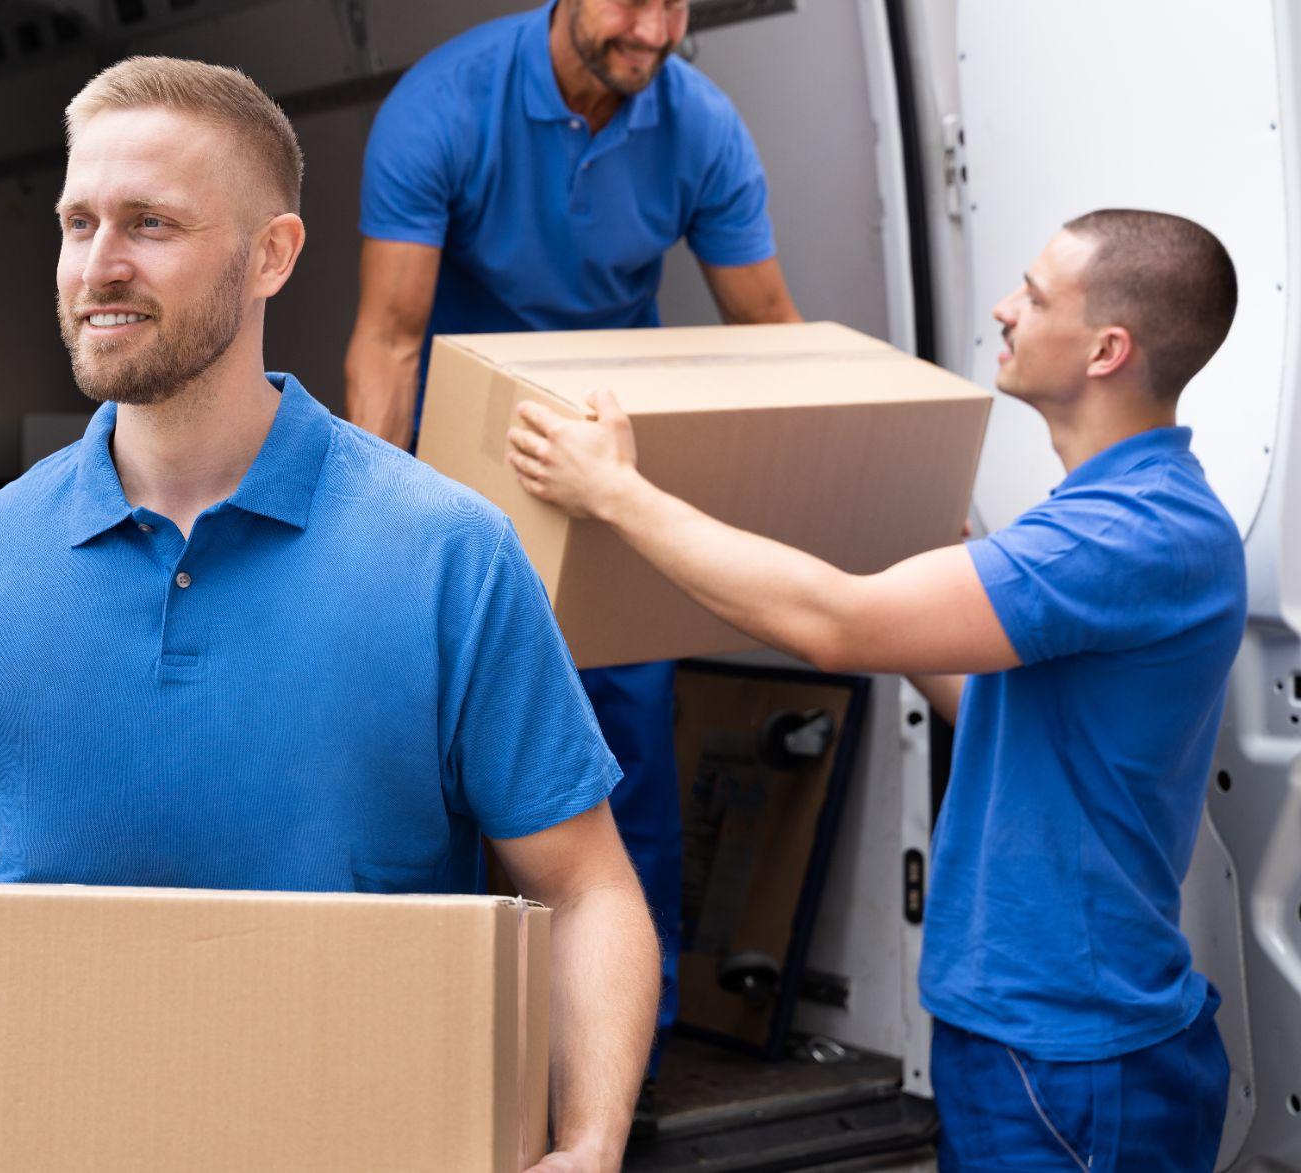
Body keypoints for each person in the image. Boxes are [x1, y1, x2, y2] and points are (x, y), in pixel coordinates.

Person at [0, 55, 661, 1169]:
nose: (98, 266)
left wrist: (591, 1141)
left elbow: (585, 890)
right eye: (78, 223)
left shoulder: (445, 554)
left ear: (270, 255)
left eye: (150, 223)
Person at [506, 210, 1244, 1171]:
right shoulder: (1116, 517)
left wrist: (617, 493)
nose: (1003, 308)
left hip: (1070, 1053)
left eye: (1034, 293)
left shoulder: (1124, 534)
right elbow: (996, 712)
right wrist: (864, 521)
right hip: (1028, 1036)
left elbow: (837, 626)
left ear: (1107, 348)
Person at [343, 0, 802, 1060]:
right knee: (435, 757)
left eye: (675, 3)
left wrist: (852, 507)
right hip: (464, 461)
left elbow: (765, 327)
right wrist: (354, 538)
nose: (652, 31)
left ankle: (621, 1053)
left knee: (617, 762)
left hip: (602, 462)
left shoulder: (696, 125)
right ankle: (437, 1046)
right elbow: (388, 343)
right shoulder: (443, 108)